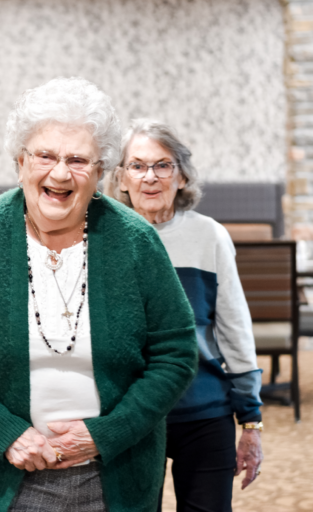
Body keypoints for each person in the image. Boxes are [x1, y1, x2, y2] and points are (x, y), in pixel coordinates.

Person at [0, 77, 198, 512]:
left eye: (78, 159)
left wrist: (106, 435)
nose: (61, 173)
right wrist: (6, 433)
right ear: (20, 162)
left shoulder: (136, 242)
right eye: (45, 156)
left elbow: (175, 354)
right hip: (10, 477)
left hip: (118, 476)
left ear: (101, 171)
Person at [103, 118, 263, 511]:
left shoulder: (209, 236)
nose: (150, 177)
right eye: (137, 166)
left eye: (163, 165)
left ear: (181, 177)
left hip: (204, 410)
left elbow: (234, 328)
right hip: (129, 415)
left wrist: (251, 421)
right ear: (121, 178)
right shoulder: (103, 239)